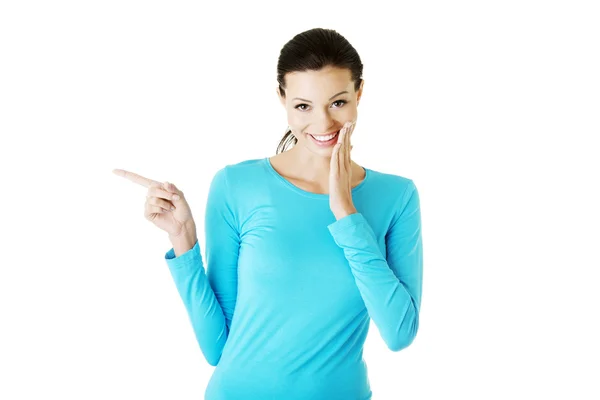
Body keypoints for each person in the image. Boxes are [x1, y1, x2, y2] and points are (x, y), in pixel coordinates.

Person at [113, 27, 423, 400]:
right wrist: (183, 240)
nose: (323, 124)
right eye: (303, 106)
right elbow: (216, 349)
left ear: (359, 93)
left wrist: (346, 214)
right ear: (283, 99)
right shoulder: (236, 185)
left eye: (338, 102)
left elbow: (399, 333)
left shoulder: (397, 196)